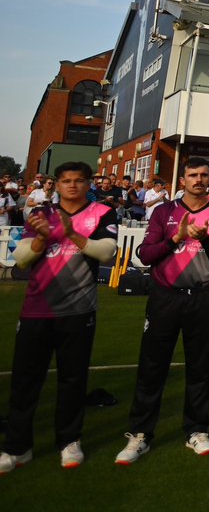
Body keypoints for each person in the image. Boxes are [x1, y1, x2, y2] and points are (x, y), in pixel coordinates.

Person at [114, 158, 209, 465]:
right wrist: (177, 238)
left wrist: (203, 236)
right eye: (192, 175)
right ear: (182, 179)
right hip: (164, 297)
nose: (198, 179)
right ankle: (141, 434)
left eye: (204, 175)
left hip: (202, 297)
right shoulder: (164, 211)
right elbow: (145, 254)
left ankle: (196, 430)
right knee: (152, 366)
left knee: (200, 366)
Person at [0, 162, 118, 473]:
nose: (72, 186)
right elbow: (22, 259)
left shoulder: (102, 213)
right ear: (58, 184)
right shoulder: (40, 213)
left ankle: (69, 441)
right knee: (25, 381)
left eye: (79, 180)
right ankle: (17, 447)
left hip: (79, 310)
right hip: (36, 309)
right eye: (66, 181)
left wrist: (71, 235)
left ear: (88, 183)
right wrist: (40, 240)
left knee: (73, 379)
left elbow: (107, 253)